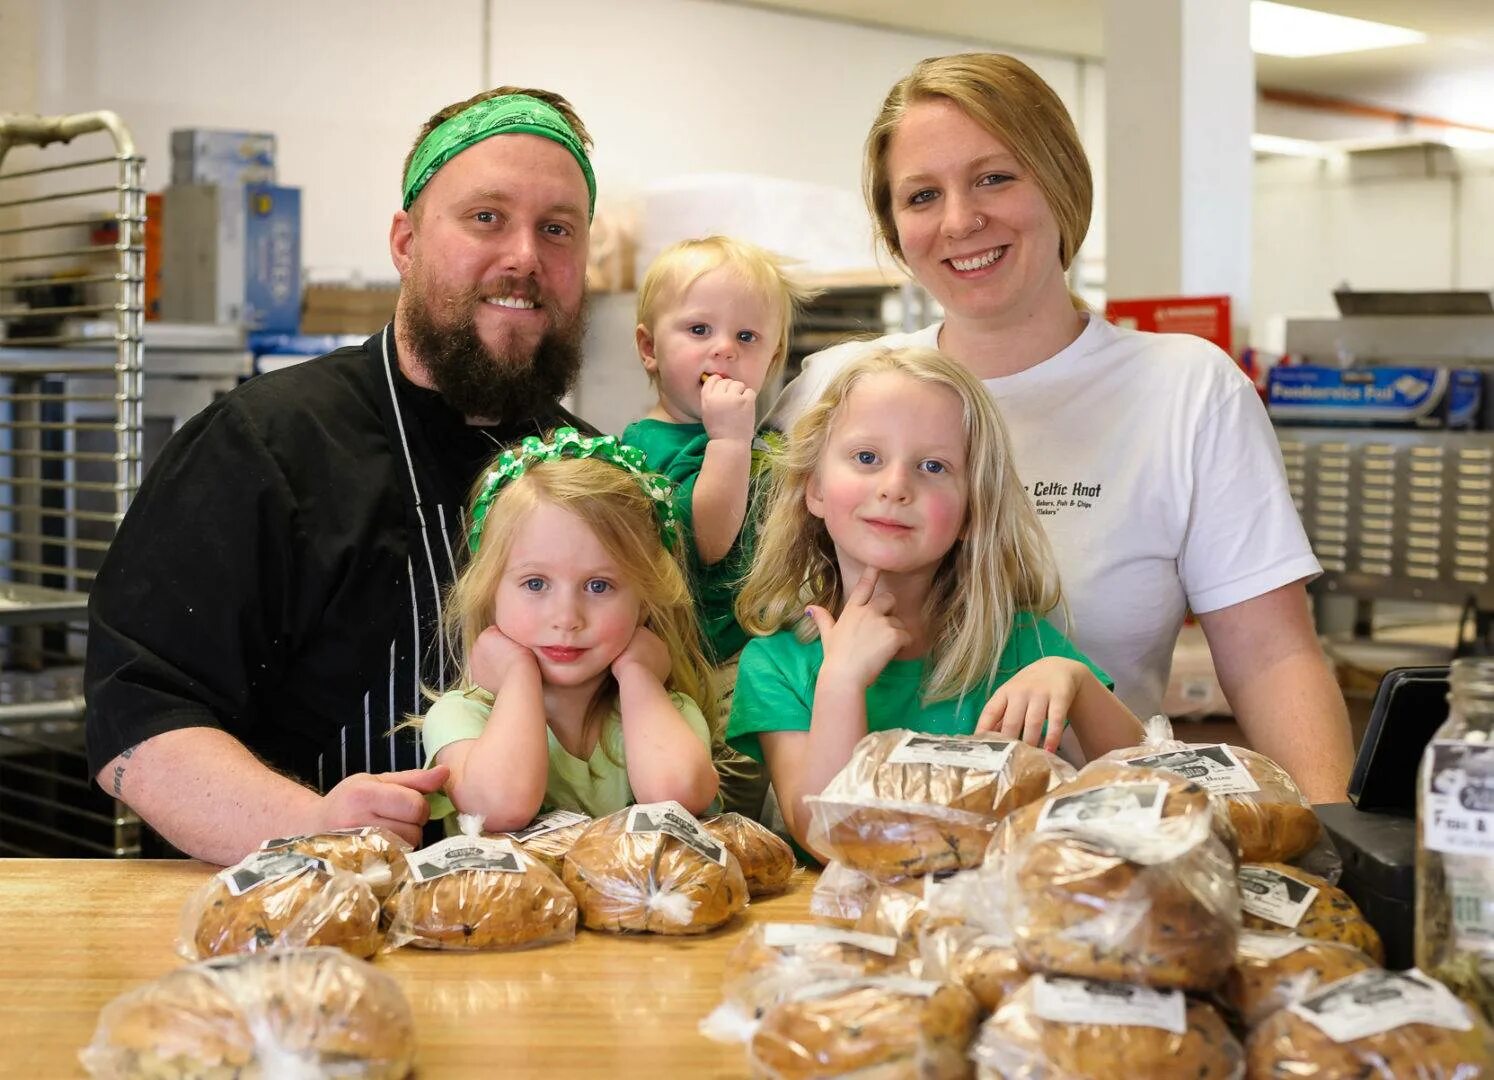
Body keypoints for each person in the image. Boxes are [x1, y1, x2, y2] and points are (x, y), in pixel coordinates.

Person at [768, 52, 1354, 804]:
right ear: (894, 225)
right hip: (854, 857)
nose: (959, 221)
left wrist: (1333, 849)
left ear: (1061, 180)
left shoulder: (1186, 388)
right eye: (921, 195)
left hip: (1096, 857)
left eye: (994, 177)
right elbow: (765, 614)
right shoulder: (837, 386)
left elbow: (1273, 657)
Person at [84, 87, 597, 864]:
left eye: (556, 229)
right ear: (405, 241)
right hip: (303, 919)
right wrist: (313, 830)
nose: (525, 256)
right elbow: (139, 714)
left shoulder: (594, 475)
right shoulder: (265, 444)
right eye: (486, 217)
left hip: (540, 922)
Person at [728, 347, 1145, 857]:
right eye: (867, 458)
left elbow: (1145, 790)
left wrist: (1075, 682)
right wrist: (841, 681)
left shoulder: (1019, 648)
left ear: (973, 511)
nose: (896, 486)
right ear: (814, 488)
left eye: (933, 466)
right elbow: (825, 839)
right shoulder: (777, 663)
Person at [415, 428, 719, 827]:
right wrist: (518, 677)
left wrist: (638, 675)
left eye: (598, 585)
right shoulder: (463, 715)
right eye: (535, 584)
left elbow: (677, 799)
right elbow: (499, 806)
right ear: (490, 592)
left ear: (645, 601)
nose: (567, 618)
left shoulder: (663, 711)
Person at [621, 236, 815, 819]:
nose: (724, 350)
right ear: (650, 348)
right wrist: (728, 443)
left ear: (773, 358)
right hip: (696, 667)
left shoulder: (766, 442)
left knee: (755, 814)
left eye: (747, 338)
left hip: (761, 657)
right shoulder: (645, 449)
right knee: (702, 812)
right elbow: (708, 541)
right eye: (699, 331)